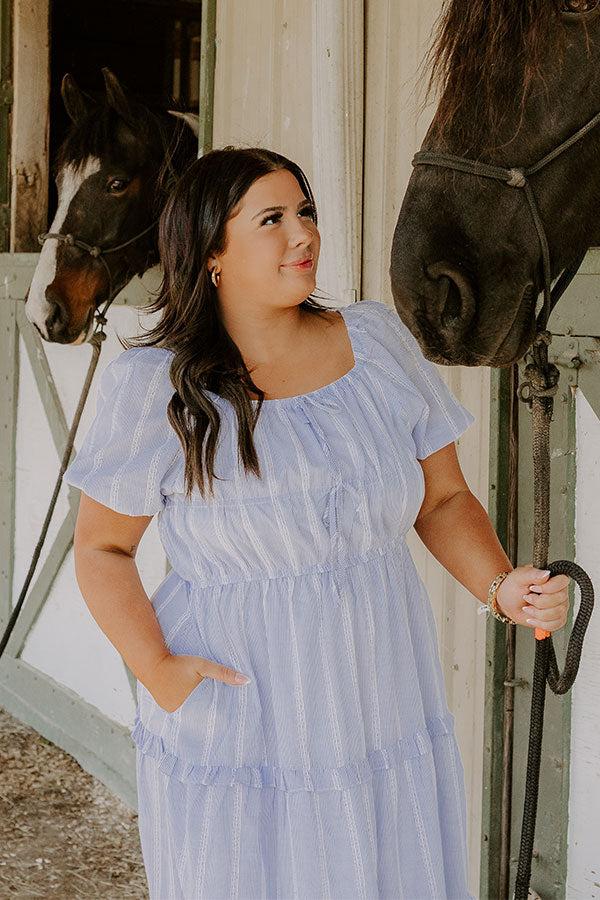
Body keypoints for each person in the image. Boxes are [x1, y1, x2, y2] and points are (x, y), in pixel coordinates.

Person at [62, 146, 571, 900]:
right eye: (272, 219)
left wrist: (502, 586)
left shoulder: (375, 343)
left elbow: (441, 500)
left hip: (377, 691)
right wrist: (159, 672)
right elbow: (102, 548)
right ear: (210, 253)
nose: (303, 234)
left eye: (306, 213)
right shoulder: (156, 384)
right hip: (243, 707)